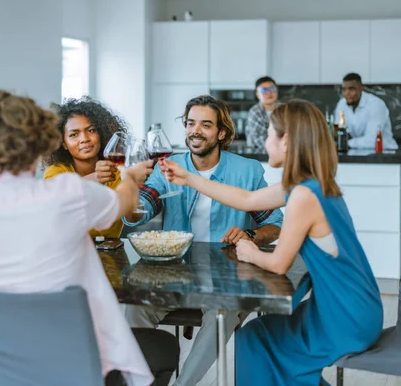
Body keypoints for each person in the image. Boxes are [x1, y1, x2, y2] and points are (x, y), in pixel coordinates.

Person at [0, 90, 179, 386]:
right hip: (69, 368)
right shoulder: (68, 195)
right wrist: (128, 177)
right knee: (159, 346)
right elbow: (127, 204)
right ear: (43, 142)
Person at [162, 99, 384, 385]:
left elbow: (278, 264)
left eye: (268, 134)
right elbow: (247, 199)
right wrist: (190, 179)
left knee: (263, 347)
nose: (264, 142)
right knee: (253, 337)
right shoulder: (309, 184)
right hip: (350, 305)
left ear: (287, 141)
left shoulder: (304, 195)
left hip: (345, 314)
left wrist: (250, 251)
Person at [124, 95, 283, 386]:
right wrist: (130, 192)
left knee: (223, 311)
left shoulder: (245, 172)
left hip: (227, 275)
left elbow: (275, 225)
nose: (195, 131)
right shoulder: (167, 166)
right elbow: (140, 211)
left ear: (221, 133)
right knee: (135, 306)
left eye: (206, 125)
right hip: (176, 274)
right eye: (190, 123)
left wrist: (250, 234)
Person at [43, 96, 146, 239]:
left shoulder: (117, 170)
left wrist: (132, 185)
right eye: (74, 134)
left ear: (101, 134)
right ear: (64, 143)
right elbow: (56, 200)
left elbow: (134, 218)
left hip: (112, 252)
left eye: (91, 130)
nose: (84, 138)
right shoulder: (57, 172)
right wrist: (95, 178)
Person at [334, 72, 398, 150]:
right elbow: (338, 132)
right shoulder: (342, 104)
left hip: (385, 154)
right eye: (344, 89)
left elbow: (372, 140)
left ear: (361, 88)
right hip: (357, 152)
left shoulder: (375, 105)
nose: (347, 93)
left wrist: (344, 143)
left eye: (351, 89)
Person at [245, 76, 280, 149]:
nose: (269, 93)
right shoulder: (255, 112)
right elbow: (260, 140)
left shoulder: (284, 109)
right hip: (259, 156)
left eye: (272, 88)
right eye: (264, 90)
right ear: (257, 94)